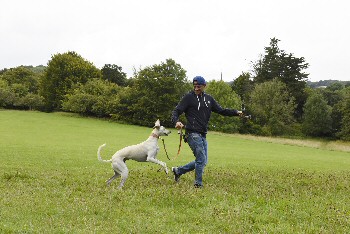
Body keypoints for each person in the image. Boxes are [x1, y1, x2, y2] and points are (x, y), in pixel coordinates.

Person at [171, 76, 243, 188]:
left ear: (204, 86)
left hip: (203, 134)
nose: (196, 88)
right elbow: (176, 111)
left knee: (203, 161)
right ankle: (198, 184)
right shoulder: (188, 98)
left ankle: (178, 170)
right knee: (201, 160)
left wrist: (235, 112)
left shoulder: (209, 99)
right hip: (192, 133)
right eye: (194, 86)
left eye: (198, 86)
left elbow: (222, 111)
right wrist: (176, 121)